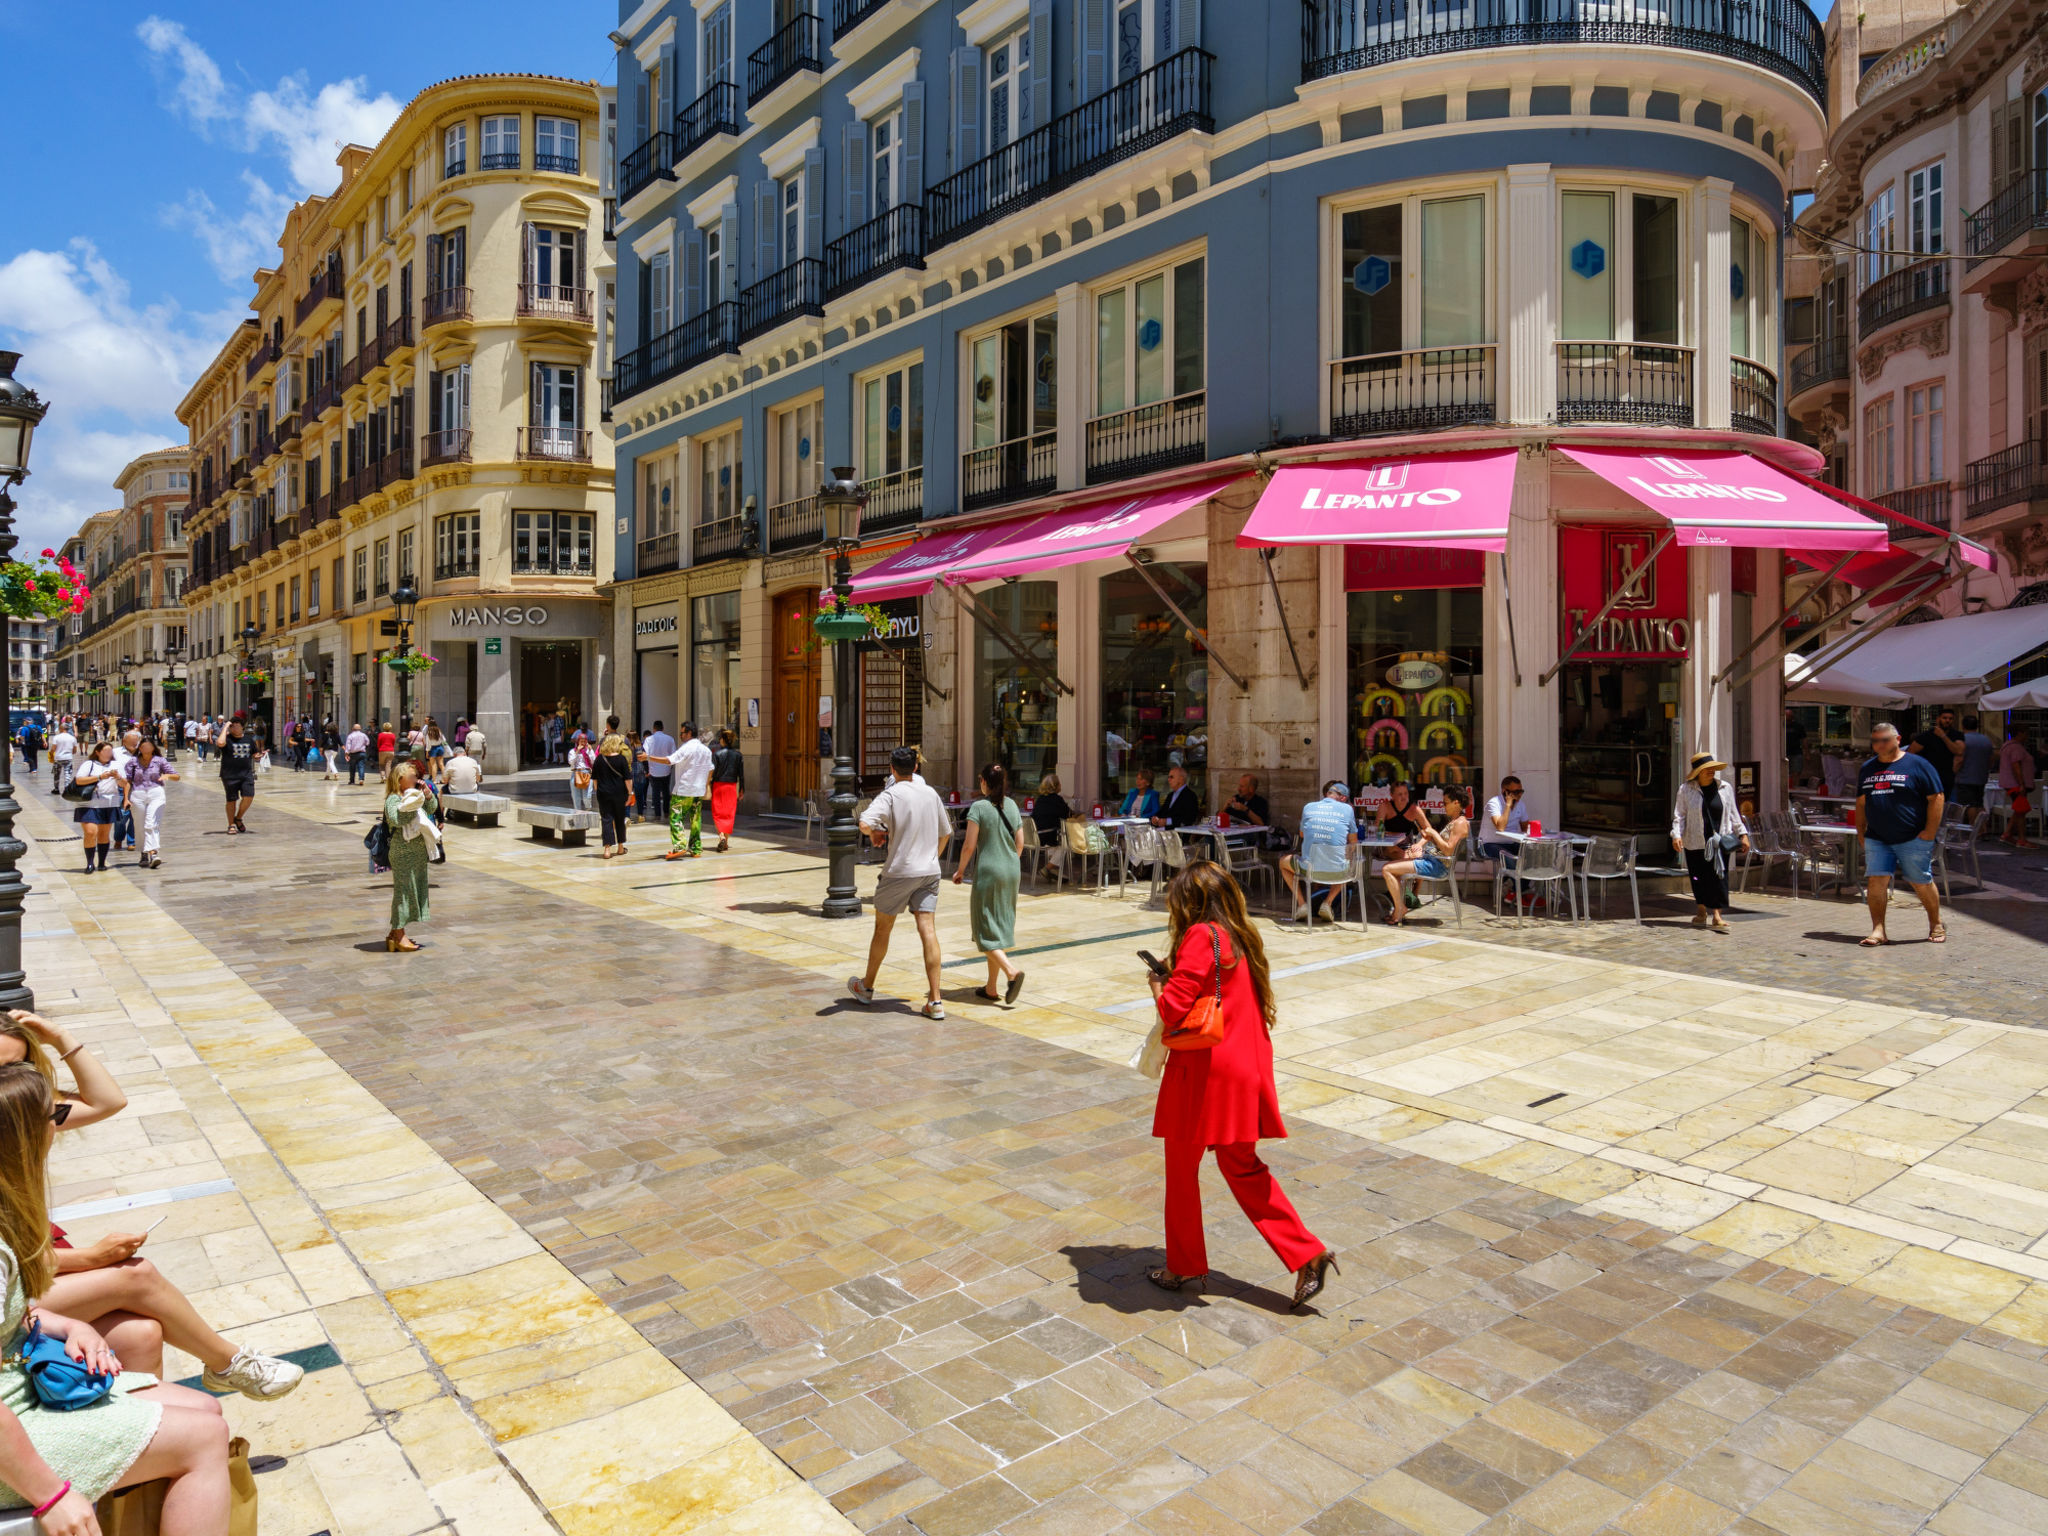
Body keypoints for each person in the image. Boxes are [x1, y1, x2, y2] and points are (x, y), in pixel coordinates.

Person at [0, 1012, 303, 1401]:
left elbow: (108, 1101)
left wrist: (61, 1038)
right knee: (136, 1277)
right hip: (13, 1294)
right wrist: (93, 1258)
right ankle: (228, 1364)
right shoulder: (19, 1118)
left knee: (142, 1332)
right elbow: (14, 1262)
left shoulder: (22, 1114)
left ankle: (155, 1421)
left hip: (27, 1278)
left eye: (21, 1065)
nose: (55, 1125)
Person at [0, 1064, 238, 1535]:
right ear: (22, 1137)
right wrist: (51, 1495)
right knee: (205, 1437)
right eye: (54, 1116)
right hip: (12, 1422)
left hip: (18, 1387)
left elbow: (11, 1313)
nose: (59, 1128)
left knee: (206, 1409)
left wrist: (69, 1325)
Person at [1145, 861, 1336, 1309]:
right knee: (1243, 1167)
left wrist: (1156, 984)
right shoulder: (1238, 935)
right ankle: (1307, 1253)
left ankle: (1184, 1264)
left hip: (1205, 1072)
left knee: (1181, 1170)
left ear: (1189, 902)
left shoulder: (1199, 936)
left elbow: (1173, 1010)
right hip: (1244, 1066)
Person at [849, 747, 951, 1019]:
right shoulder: (931, 793)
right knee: (928, 930)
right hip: (929, 871)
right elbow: (946, 833)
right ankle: (936, 1001)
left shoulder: (891, 795)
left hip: (899, 871)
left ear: (892, 769)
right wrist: (933, 857)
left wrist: (875, 832)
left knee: (883, 929)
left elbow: (864, 823)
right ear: (916, 767)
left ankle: (867, 986)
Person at [1858, 721, 1946, 946]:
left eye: (1884, 740)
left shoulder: (1918, 764)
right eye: (1875, 741)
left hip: (1912, 836)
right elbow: (1861, 802)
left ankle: (1936, 923)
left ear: (1898, 740)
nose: (1879, 745)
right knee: (1876, 881)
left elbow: (1936, 797)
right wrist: (1860, 831)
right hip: (1877, 837)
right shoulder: (1867, 768)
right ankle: (1878, 930)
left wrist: (1930, 831)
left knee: (1920, 881)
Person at [953, 763, 1027, 1006]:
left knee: (983, 928)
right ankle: (991, 988)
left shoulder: (979, 807)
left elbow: (969, 845)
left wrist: (960, 870)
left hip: (989, 872)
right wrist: (1009, 862)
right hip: (1011, 870)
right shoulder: (1012, 805)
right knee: (999, 926)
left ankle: (1011, 972)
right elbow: (1020, 842)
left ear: (984, 782)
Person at [1670, 751, 1751, 932]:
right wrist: (1676, 835)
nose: (1711, 771)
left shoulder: (1725, 788)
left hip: (1719, 841)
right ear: (1698, 772)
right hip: (1695, 841)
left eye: (1713, 768)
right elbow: (1679, 816)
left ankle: (1717, 915)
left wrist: (1743, 834)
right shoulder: (1686, 790)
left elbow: (1734, 813)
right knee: (1698, 877)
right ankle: (1701, 911)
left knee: (1719, 877)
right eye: (1707, 769)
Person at [1379, 785, 1470, 925]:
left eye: (1445, 803)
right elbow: (1442, 845)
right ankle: (1402, 904)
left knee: (1387, 869)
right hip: (1433, 860)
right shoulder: (1455, 821)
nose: (1443, 806)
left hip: (1437, 866)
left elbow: (1448, 851)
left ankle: (1400, 909)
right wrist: (1426, 840)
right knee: (1396, 865)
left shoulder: (1460, 823)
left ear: (1456, 803)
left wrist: (1433, 833)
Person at [1280, 780, 1360, 921]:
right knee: (1349, 861)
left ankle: (1302, 904)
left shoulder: (1308, 807)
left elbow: (1302, 834)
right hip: (1338, 871)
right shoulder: (1347, 809)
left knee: (1283, 862)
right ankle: (1327, 903)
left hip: (1309, 869)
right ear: (1343, 799)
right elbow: (1353, 841)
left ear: (1328, 794)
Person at [383, 760, 438, 952]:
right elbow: (396, 819)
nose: (416, 779)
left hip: (417, 853)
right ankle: (399, 936)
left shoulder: (414, 795)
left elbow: (431, 809)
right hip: (403, 852)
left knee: (412, 890)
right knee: (403, 892)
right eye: (412, 776)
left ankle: (394, 934)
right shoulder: (393, 799)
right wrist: (415, 804)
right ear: (400, 779)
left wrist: (427, 795)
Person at [123, 739, 177, 870]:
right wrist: (126, 799)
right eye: (143, 746)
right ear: (140, 748)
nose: (146, 748)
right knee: (139, 825)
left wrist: (167, 776)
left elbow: (176, 776)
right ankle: (143, 853)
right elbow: (127, 781)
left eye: (148, 746)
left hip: (155, 793)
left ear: (153, 748)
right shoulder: (133, 762)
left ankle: (153, 853)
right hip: (138, 794)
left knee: (151, 823)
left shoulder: (160, 761)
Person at [72, 743, 125, 874]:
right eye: (105, 751)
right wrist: (100, 777)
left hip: (108, 802)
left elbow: (124, 784)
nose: (108, 754)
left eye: (110, 751)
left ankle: (101, 862)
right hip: (88, 802)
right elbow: (79, 780)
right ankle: (90, 863)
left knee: (103, 834)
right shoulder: (89, 764)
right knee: (91, 832)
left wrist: (117, 777)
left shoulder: (116, 765)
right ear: (97, 752)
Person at [664, 723, 713, 861]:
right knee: (696, 820)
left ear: (689, 733)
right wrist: (706, 785)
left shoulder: (686, 748)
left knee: (675, 817)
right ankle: (696, 848)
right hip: (697, 791)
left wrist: (648, 757)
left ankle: (680, 846)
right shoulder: (706, 750)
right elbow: (711, 769)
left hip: (683, 790)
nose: (680, 735)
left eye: (682, 733)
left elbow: (669, 760)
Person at [592, 717, 634, 859]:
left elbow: (594, 779)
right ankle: (620, 847)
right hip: (619, 793)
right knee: (619, 818)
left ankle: (607, 850)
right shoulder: (621, 759)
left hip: (603, 793)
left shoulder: (599, 759)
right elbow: (628, 779)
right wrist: (630, 793)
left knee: (606, 819)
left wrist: (598, 790)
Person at [215, 713, 257, 834]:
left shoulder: (248, 740)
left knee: (249, 796)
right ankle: (231, 824)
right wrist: (225, 727)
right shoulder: (227, 738)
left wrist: (259, 755)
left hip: (246, 774)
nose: (235, 728)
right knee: (231, 800)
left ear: (242, 727)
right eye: (232, 726)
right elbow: (220, 743)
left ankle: (238, 818)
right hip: (229, 775)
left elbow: (254, 754)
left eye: (237, 726)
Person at [1909, 707, 1963, 799]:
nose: (1947, 721)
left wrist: (1943, 736)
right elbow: (1911, 752)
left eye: (1950, 719)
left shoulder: (1957, 735)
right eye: (1944, 718)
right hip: (1929, 776)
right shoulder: (1926, 736)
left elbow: (1958, 751)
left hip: (1948, 777)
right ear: (1938, 719)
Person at [1478, 774, 1530, 866]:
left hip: (1511, 843)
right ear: (1505, 791)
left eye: (1521, 791)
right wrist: (1508, 805)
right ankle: (1513, 874)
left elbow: (1525, 828)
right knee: (1511, 861)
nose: (1519, 795)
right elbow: (1500, 828)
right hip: (1490, 843)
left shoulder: (1521, 805)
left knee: (1533, 855)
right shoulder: (1494, 803)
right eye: (1516, 792)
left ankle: (1518, 874)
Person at [1999, 729, 2037, 848]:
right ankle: (2022, 839)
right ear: (2020, 733)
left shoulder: (2007, 746)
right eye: (2026, 733)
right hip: (2015, 784)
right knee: (2021, 811)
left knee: (2019, 809)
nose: (2027, 735)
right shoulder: (2016, 747)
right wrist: (2021, 784)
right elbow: (2016, 765)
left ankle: (2007, 834)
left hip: (2012, 783)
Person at [1955, 713, 1996, 822]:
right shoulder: (1986, 740)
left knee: (1970, 805)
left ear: (1963, 726)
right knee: (1979, 803)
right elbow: (1991, 759)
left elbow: (1959, 759)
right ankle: (1982, 827)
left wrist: (1954, 771)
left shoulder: (1962, 740)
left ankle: (1973, 827)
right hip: (1981, 777)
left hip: (1965, 778)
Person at [709, 727, 744, 853]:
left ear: (723, 740)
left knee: (717, 813)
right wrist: (742, 789)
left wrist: (709, 784)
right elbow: (741, 775)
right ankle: (726, 842)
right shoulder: (738, 755)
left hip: (718, 786)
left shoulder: (717, 754)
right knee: (729, 814)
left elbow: (713, 772)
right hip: (731, 786)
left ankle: (721, 837)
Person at [640, 721, 676, 830]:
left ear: (654, 728)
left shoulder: (649, 739)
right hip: (666, 770)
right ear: (663, 728)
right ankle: (666, 812)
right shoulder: (670, 739)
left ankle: (657, 814)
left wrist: (647, 769)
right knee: (666, 791)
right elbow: (673, 755)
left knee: (655, 792)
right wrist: (670, 767)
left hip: (654, 770)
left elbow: (644, 754)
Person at [1152, 764, 1201, 829]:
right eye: (1168, 777)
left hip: (1178, 832)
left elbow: (1189, 818)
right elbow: (1163, 811)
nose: (1168, 779)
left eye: (1171, 777)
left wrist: (1167, 821)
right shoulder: (1170, 795)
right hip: (1164, 830)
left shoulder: (1190, 796)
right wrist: (1156, 818)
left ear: (1181, 779)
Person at [567, 731, 596, 812]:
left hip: (587, 773)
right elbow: (571, 762)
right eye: (581, 741)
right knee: (576, 797)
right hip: (576, 773)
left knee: (587, 797)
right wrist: (577, 752)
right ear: (578, 742)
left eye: (584, 741)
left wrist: (589, 751)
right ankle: (577, 813)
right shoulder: (573, 751)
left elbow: (593, 761)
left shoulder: (589, 750)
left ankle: (588, 809)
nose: (583, 743)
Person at [48, 719, 74, 797]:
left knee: (56, 774)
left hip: (58, 758)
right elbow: (75, 750)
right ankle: (66, 789)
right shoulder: (72, 738)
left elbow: (53, 748)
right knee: (67, 774)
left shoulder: (56, 737)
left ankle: (56, 789)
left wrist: (51, 754)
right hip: (68, 758)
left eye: (59, 728)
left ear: (62, 729)